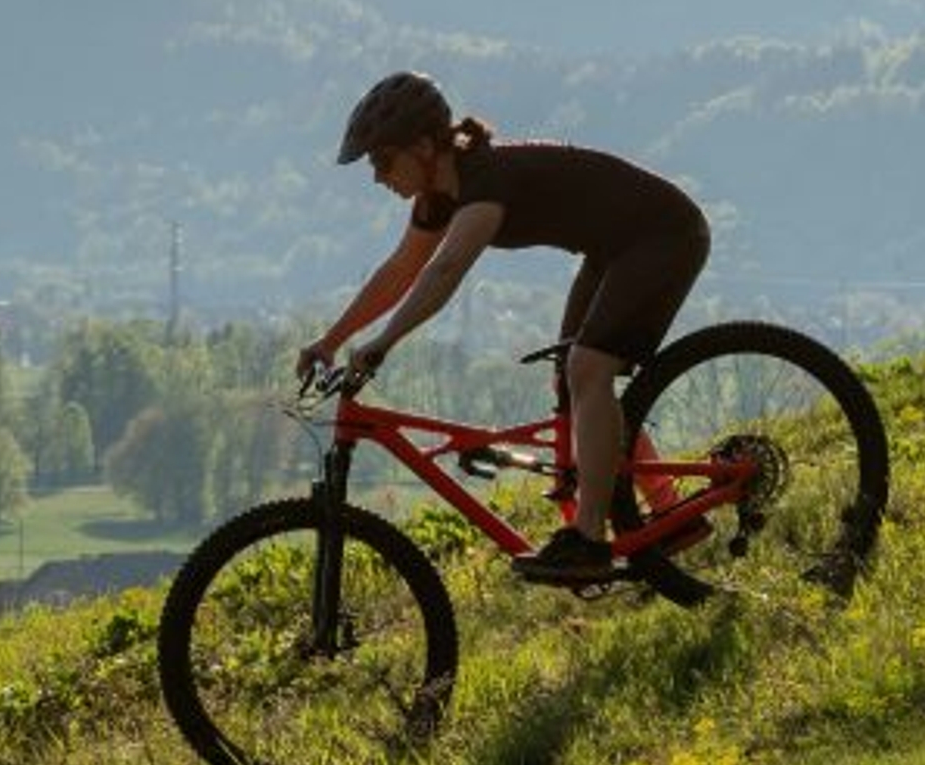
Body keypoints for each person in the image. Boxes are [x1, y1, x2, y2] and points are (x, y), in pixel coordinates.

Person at [298, 71, 712, 586]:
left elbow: (445, 271)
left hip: (664, 234)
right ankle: (672, 516)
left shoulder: (485, 181)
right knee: (572, 377)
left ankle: (589, 541)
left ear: (425, 147)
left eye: (382, 159)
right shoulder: (439, 198)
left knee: (588, 367)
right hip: (614, 247)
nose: (377, 176)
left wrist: (382, 343)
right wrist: (330, 341)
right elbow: (399, 271)